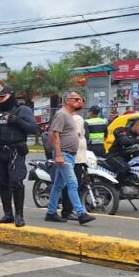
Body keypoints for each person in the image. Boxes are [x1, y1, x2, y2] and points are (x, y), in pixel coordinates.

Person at [0, 85, 37, 226]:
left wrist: (17, 120)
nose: (0, 100)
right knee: (2, 183)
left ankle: (19, 215)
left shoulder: (22, 110)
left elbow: (34, 128)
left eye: (3, 96)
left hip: (15, 151)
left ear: (11, 96)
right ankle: (8, 214)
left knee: (16, 182)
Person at [45, 92, 95, 225]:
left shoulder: (69, 115)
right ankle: (81, 213)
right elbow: (55, 134)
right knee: (73, 183)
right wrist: (58, 154)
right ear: (67, 100)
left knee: (58, 185)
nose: (79, 101)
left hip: (70, 155)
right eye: (76, 99)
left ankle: (51, 212)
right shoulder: (62, 114)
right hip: (64, 154)